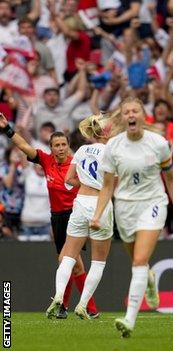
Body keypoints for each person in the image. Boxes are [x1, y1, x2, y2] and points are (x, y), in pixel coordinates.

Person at [90, 98, 173, 338]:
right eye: (126, 112)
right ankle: (150, 279)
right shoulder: (113, 146)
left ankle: (130, 319)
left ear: (144, 116)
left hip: (153, 204)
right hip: (124, 207)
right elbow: (106, 186)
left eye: (135, 111)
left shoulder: (159, 144)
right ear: (122, 118)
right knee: (138, 260)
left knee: (139, 260)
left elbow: (171, 180)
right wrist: (97, 215)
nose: (131, 115)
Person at [0, 113, 97, 319]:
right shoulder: (47, 162)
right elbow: (25, 147)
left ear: (68, 145)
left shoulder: (76, 163)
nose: (60, 148)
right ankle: (74, 307)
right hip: (57, 218)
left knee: (69, 261)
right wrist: (7, 129)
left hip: (75, 215)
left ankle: (78, 307)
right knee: (70, 263)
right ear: (51, 147)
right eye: (56, 145)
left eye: (63, 144)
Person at [46, 112, 118, 319]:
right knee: (98, 262)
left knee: (68, 256)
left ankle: (59, 295)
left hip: (80, 203)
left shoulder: (81, 150)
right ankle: (83, 304)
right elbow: (112, 186)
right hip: (100, 205)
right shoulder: (111, 153)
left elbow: (69, 179)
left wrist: (86, 183)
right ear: (106, 132)